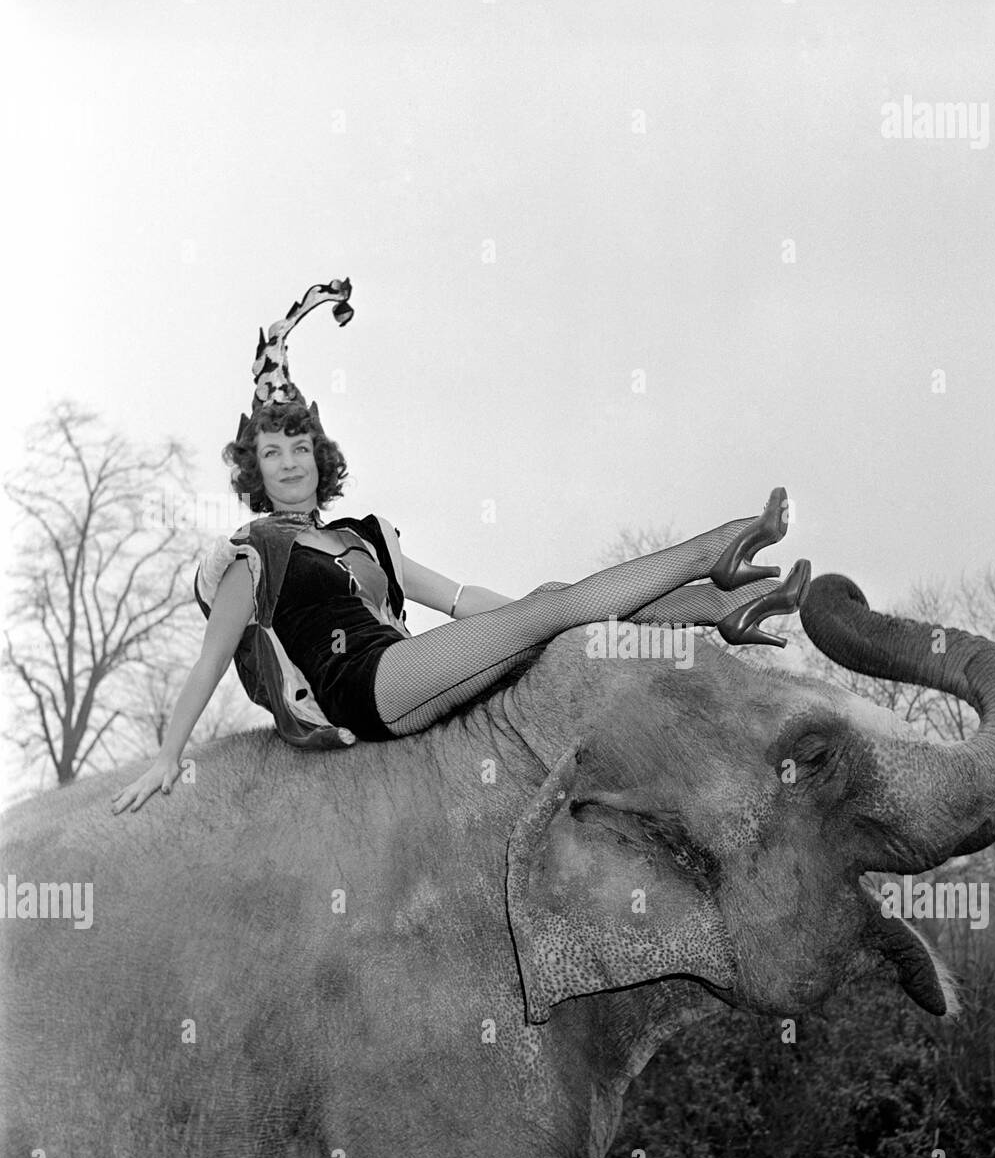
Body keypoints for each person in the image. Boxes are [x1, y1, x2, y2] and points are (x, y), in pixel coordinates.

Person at [111, 279, 809, 814]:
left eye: (300, 446)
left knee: (545, 608)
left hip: (410, 670)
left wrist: (556, 608)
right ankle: (709, 550)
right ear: (252, 468)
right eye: (273, 451)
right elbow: (208, 663)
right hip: (363, 689)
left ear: (320, 456)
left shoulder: (364, 537)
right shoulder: (251, 553)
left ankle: (721, 608)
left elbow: (453, 598)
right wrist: (168, 756)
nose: (290, 461)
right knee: (544, 616)